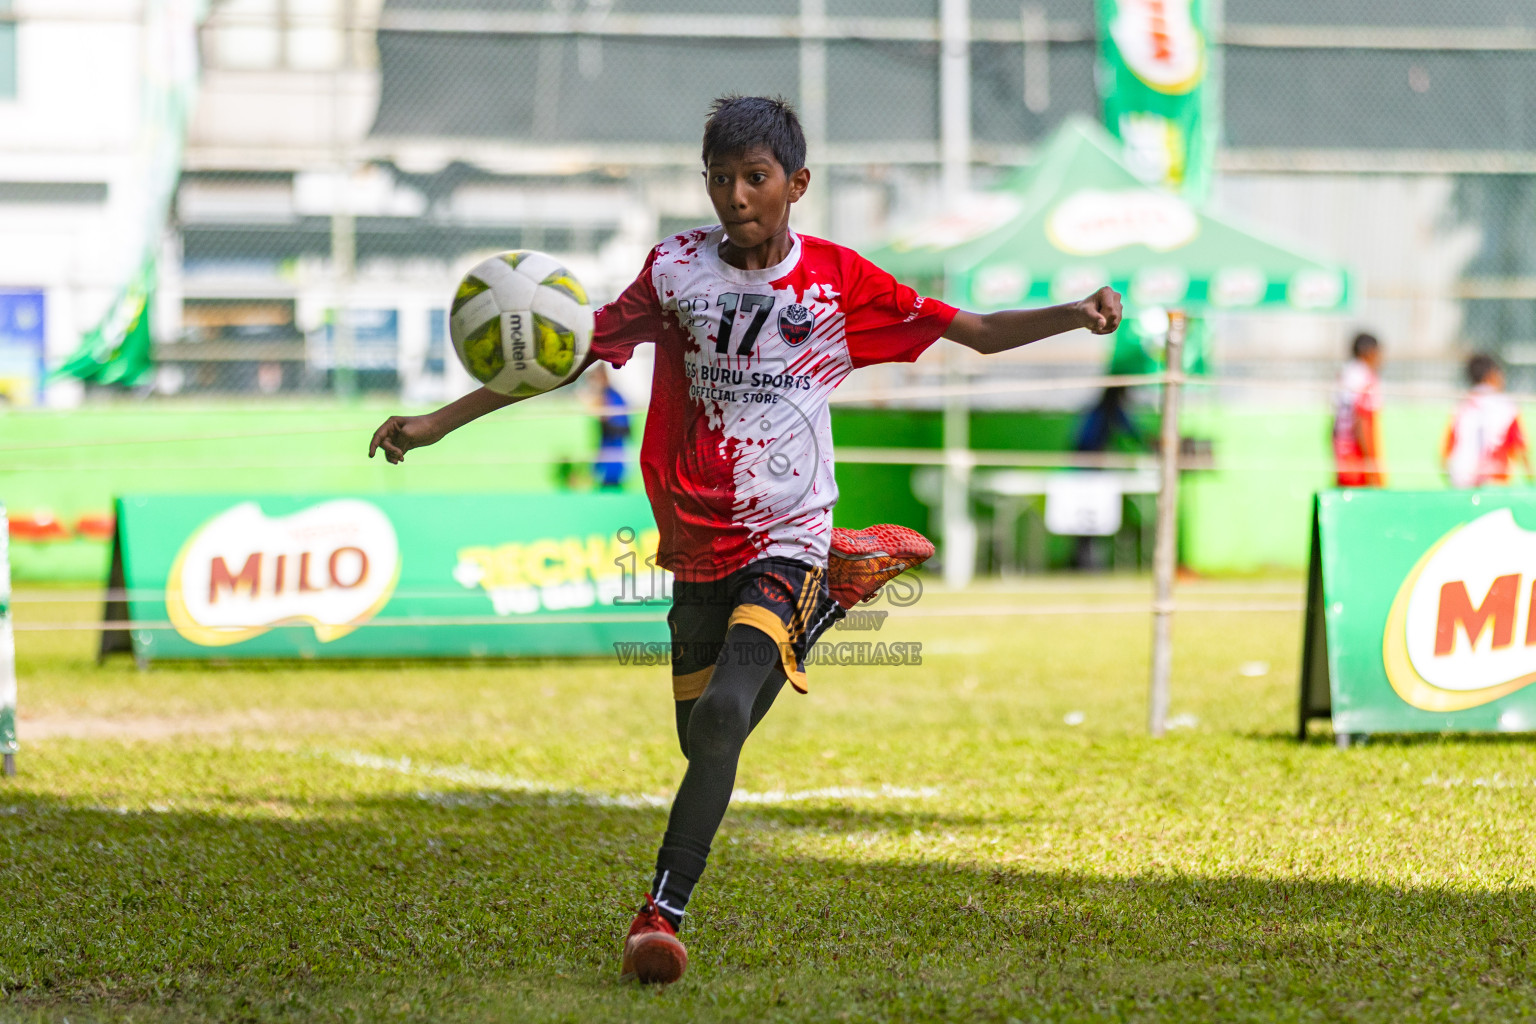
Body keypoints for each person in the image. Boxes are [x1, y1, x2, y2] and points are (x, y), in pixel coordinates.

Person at [368, 95, 1122, 985]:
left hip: (788, 534)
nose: (736, 196)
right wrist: (439, 422)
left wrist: (1074, 312)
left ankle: (661, 914)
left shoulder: (838, 281)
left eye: (755, 178)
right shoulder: (675, 270)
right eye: (720, 179)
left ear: (797, 184)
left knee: (726, 715)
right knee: (702, 739)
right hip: (694, 538)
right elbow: (565, 354)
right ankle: (843, 587)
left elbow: (981, 334)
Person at [1443, 353, 1532, 488]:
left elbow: (1446, 455)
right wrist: (1531, 480)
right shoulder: (1507, 407)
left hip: (1460, 482)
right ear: (1491, 375)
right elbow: (1521, 450)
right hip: (1494, 483)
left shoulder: (1461, 408)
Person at [1332, 332, 1384, 487]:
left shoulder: (1344, 376)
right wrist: (1370, 466)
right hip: (1358, 454)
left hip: (1342, 451)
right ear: (1369, 352)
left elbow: (1334, 424)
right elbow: (1362, 420)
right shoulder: (1366, 379)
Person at [586, 362, 631, 490]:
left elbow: (623, 428)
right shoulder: (608, 395)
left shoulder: (613, 396)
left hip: (613, 454)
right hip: (607, 452)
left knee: (611, 486)